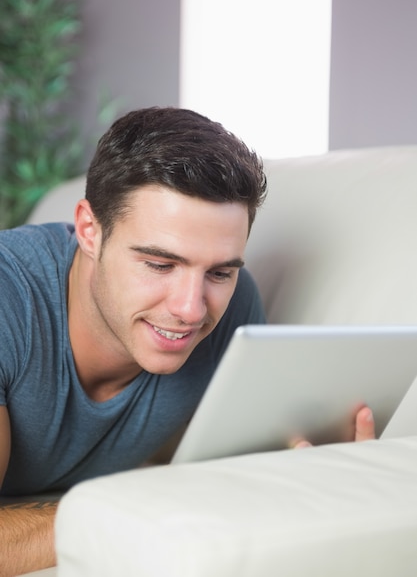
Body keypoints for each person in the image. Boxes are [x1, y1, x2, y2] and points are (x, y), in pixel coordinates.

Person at [0, 107, 375, 576]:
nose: (192, 310)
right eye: (160, 265)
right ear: (90, 231)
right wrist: (150, 508)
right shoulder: (9, 299)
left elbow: (208, 460)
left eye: (219, 272)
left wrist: (316, 468)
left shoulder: (236, 310)